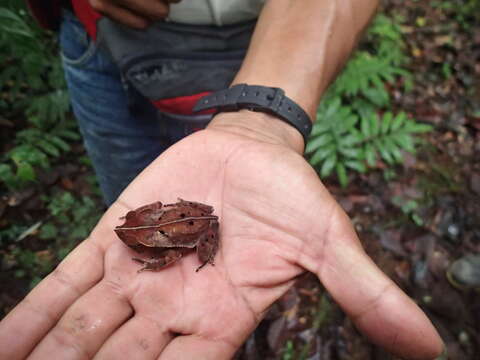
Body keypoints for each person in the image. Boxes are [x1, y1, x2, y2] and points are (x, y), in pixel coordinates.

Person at [0, 0, 444, 359]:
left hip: (248, 42)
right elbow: (151, 213)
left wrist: (259, 124)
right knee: (123, 187)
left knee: (191, 231)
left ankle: (221, 310)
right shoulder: (148, 219)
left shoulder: (171, 241)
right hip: (97, 37)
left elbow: (171, 246)